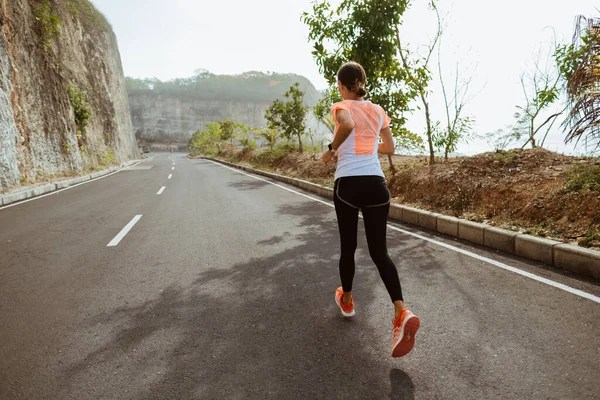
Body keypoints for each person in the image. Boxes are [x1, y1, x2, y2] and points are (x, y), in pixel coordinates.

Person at [322, 61, 420, 358]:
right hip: (377, 185)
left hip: (348, 185)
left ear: (341, 85)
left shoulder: (341, 106)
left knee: (348, 246)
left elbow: (348, 125)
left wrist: (331, 149)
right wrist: (366, 144)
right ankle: (401, 312)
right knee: (380, 253)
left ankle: (348, 301)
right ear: (361, 83)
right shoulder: (378, 111)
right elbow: (388, 147)